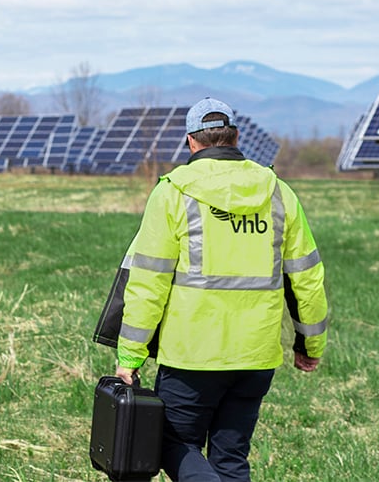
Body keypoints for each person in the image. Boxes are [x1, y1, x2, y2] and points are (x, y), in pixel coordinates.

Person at [114, 97, 328, 482]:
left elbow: (148, 282)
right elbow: (307, 278)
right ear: (236, 137)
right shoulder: (279, 193)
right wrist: (309, 344)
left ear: (191, 142)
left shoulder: (172, 192)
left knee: (174, 444)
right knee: (231, 459)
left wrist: (130, 355)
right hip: (256, 356)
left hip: (191, 356)